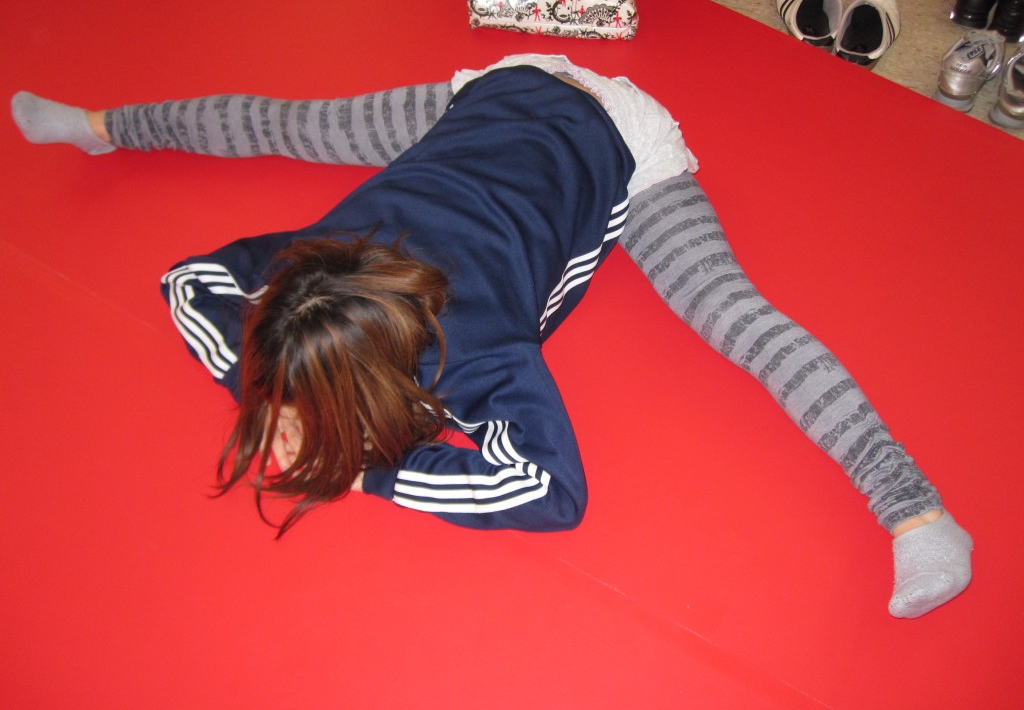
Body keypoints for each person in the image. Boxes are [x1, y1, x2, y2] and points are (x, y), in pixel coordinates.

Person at [11, 54, 972, 618]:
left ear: (392, 397)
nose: (281, 435)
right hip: (489, 97)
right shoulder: (314, 271)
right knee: (291, 125)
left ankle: (918, 513)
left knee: (739, 320)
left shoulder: (477, 355)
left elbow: (552, 492)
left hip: (616, 143)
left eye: (297, 415)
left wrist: (368, 475)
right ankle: (101, 124)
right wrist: (261, 387)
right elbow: (188, 281)